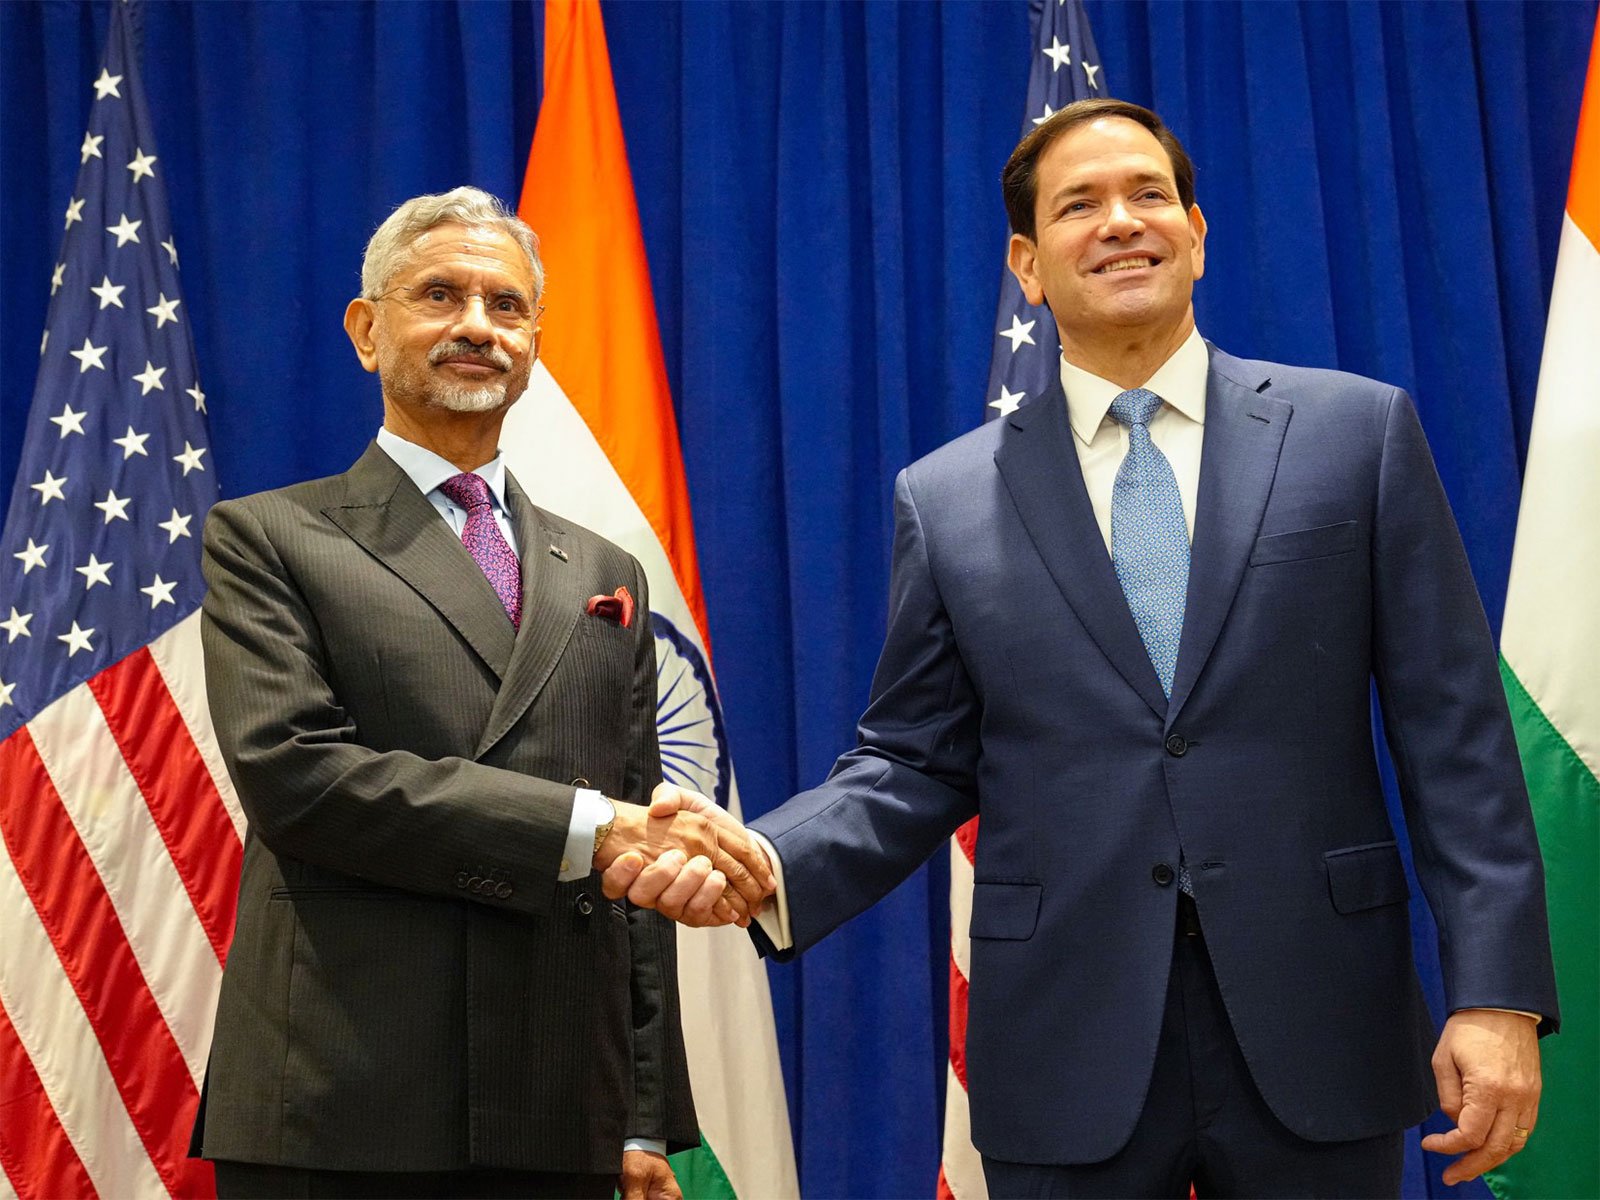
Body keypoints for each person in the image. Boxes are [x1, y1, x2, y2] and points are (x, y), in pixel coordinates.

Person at [624, 101, 1558, 1196]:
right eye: (1079, 205)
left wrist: (1493, 996)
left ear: (1196, 234)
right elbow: (913, 759)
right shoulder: (948, 497)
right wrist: (770, 861)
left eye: (1146, 195)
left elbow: (1455, 740)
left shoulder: (1357, 435)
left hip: (1319, 1018)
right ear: (1028, 264)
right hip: (1066, 1039)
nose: (1120, 222)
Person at [191, 187, 773, 1200]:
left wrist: (645, 1119)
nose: (476, 326)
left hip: (559, 1112)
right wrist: (589, 828)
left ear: (534, 346)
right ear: (368, 330)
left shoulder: (604, 571)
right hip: (344, 1103)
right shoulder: (269, 538)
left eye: (505, 307)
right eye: (439, 295)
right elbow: (299, 779)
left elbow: (630, 883)